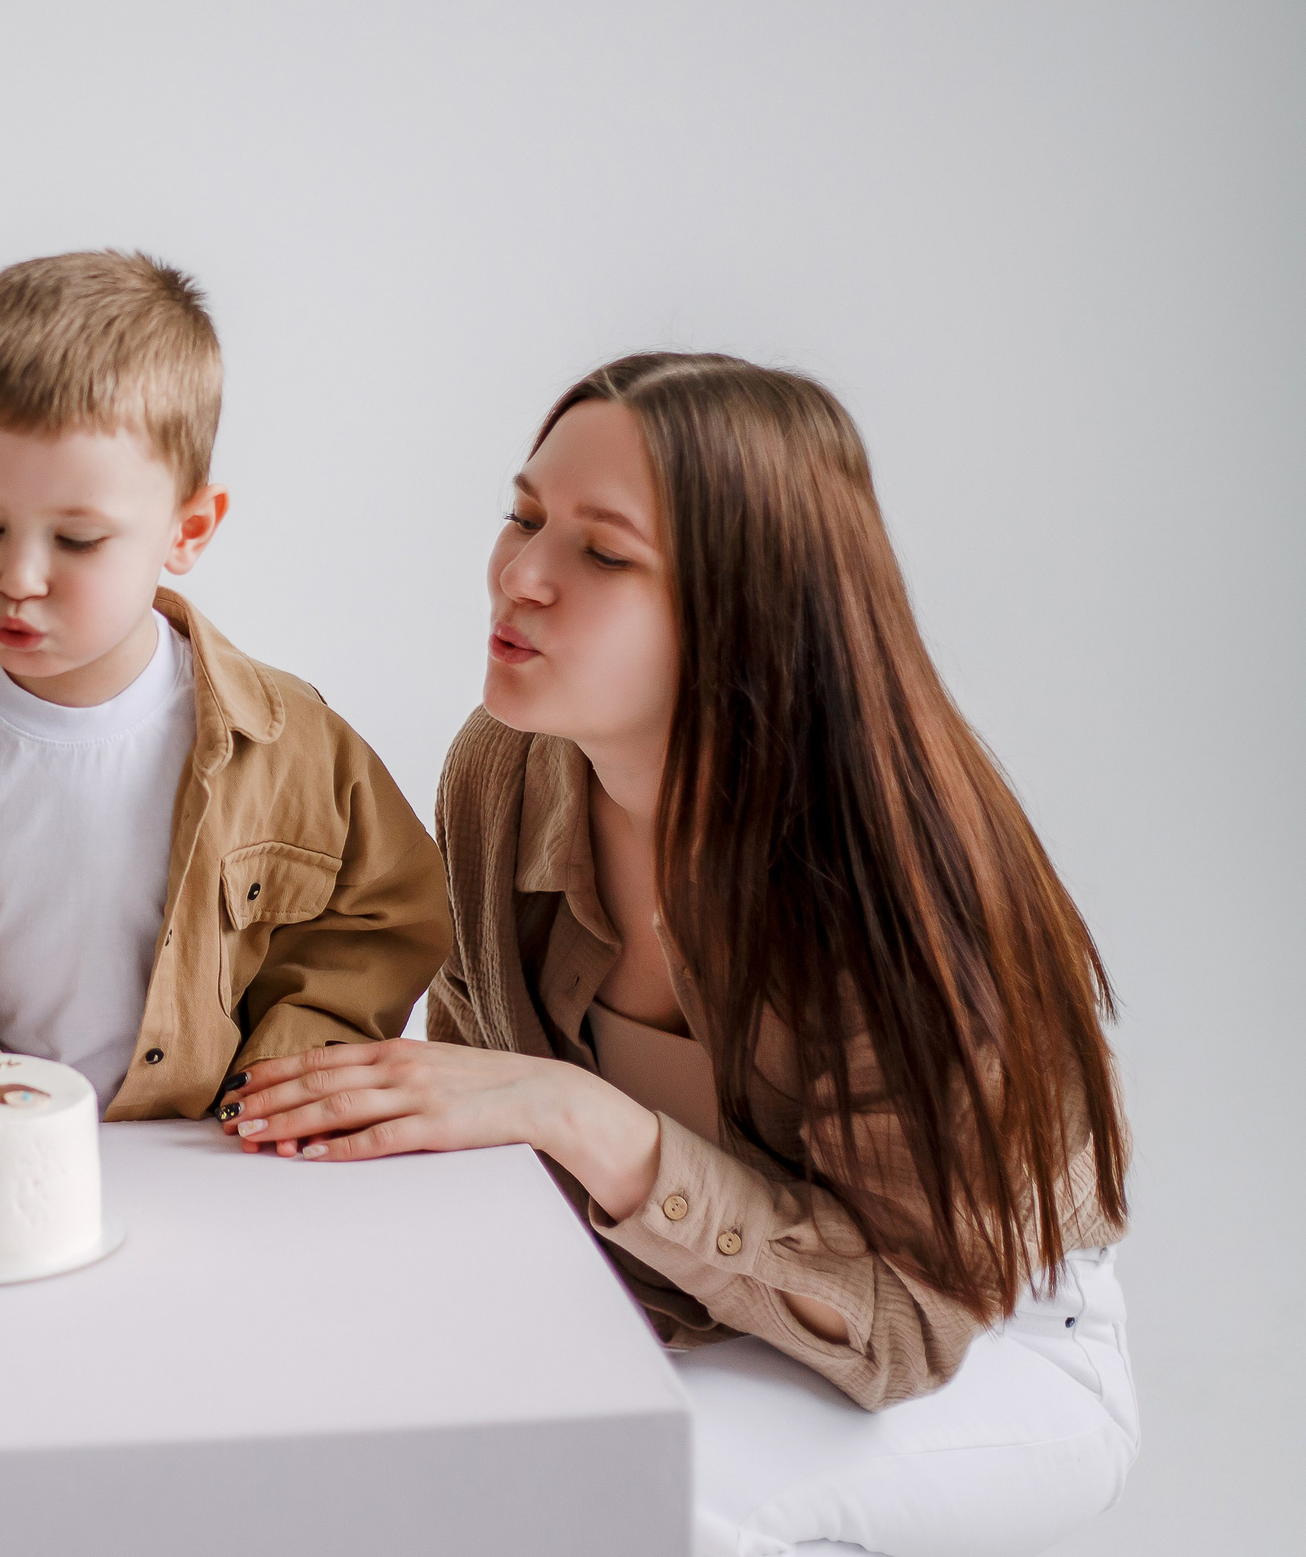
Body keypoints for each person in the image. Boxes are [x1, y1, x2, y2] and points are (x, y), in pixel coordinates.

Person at [225, 353, 1138, 1555]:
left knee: (641, 1501)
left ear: (742, 613)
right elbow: (478, 1098)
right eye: (522, 515)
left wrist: (585, 1116)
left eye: (601, 554)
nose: (520, 576)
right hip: (675, 1308)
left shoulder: (894, 895)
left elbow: (906, 1323)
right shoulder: (502, 771)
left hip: (983, 1342)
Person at [0, 251, 452, 1117]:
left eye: (76, 540)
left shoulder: (291, 745)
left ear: (187, 529)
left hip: (205, 1169)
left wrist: (284, 1070)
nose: (19, 577)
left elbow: (381, 915)